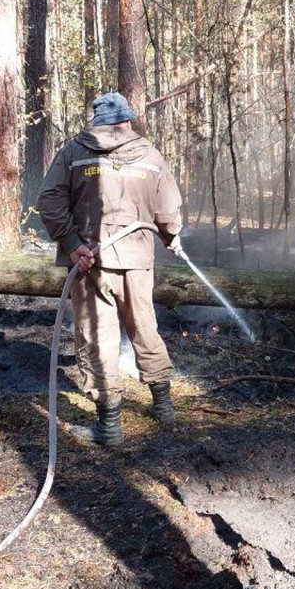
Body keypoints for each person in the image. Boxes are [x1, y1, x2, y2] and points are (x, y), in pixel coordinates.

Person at [36, 92, 183, 446]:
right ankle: (163, 408)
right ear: (126, 121)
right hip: (135, 262)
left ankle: (110, 425)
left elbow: (49, 202)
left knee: (97, 337)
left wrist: (74, 245)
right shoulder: (150, 155)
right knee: (145, 328)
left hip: (91, 264)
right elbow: (168, 212)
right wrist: (171, 236)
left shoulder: (73, 152)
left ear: (98, 122)